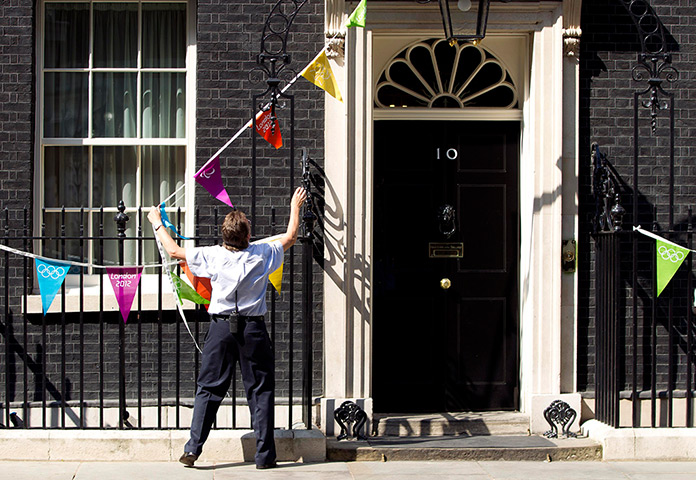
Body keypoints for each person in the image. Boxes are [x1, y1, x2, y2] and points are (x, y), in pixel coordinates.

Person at [147, 186, 307, 469]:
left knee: (208, 388)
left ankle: (193, 449)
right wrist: (295, 206)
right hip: (253, 330)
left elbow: (172, 250)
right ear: (247, 235)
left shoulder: (212, 255)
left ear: (224, 236)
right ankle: (264, 457)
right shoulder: (262, 253)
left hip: (221, 329)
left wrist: (156, 221)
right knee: (260, 390)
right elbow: (291, 237)